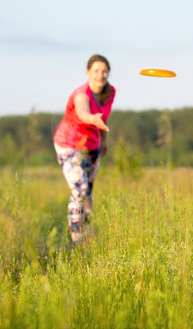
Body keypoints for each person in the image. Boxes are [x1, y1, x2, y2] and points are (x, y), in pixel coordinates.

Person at [53, 54, 116, 243]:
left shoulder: (110, 92)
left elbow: (103, 117)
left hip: (92, 147)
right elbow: (83, 113)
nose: (100, 75)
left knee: (87, 195)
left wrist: (103, 139)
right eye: (96, 71)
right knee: (79, 188)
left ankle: (86, 236)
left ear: (108, 74)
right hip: (69, 145)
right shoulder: (81, 93)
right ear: (88, 72)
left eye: (104, 71)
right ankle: (77, 239)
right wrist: (93, 119)